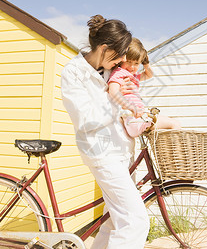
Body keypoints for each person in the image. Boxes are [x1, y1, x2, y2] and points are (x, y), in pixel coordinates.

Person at [60, 15, 149, 249]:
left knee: (113, 223)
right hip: (101, 154)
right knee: (135, 221)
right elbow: (85, 119)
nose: (122, 60)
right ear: (104, 48)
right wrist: (117, 104)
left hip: (121, 154)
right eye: (119, 54)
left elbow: (130, 95)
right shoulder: (73, 73)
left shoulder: (112, 71)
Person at [108, 38, 181, 138]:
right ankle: (176, 153)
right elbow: (113, 91)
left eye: (136, 63)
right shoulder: (119, 72)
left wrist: (146, 64)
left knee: (170, 125)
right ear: (123, 59)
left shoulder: (133, 75)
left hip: (138, 118)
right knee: (174, 124)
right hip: (134, 119)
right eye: (129, 62)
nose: (132, 67)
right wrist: (131, 107)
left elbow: (149, 74)